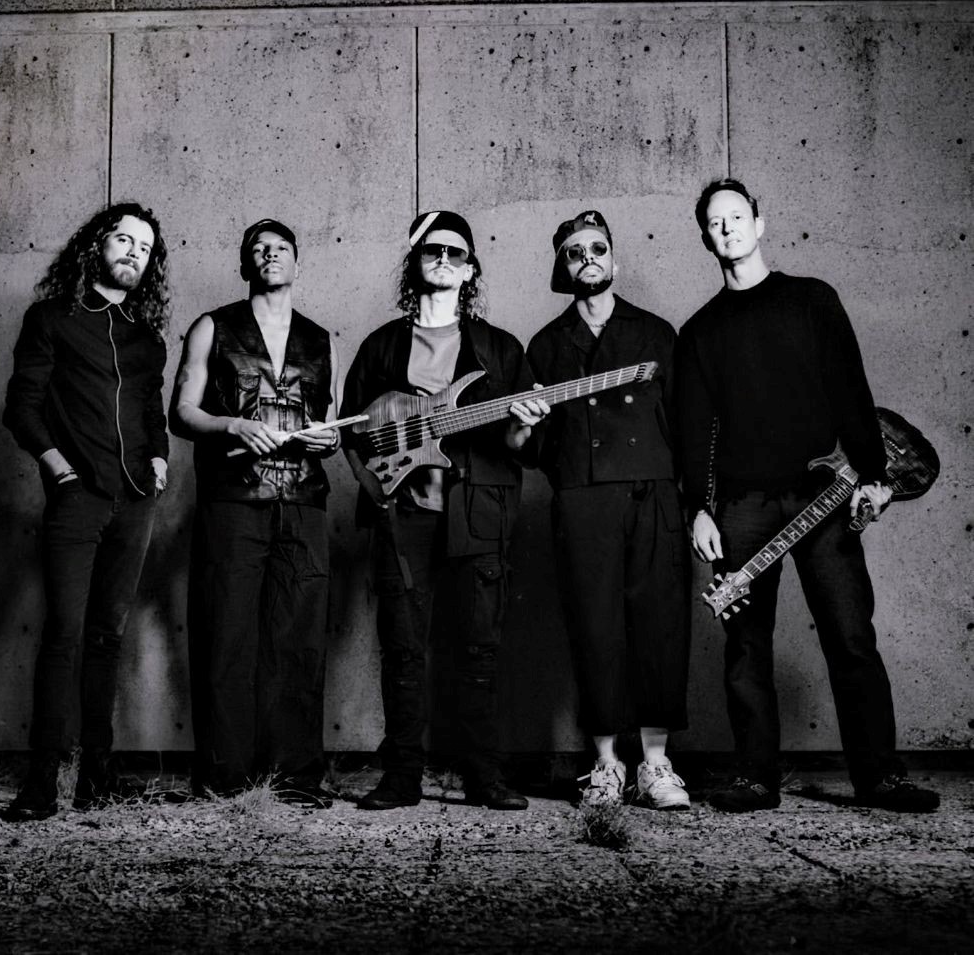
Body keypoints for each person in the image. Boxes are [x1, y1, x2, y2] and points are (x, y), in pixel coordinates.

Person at [676, 177, 939, 813]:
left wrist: (873, 476)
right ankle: (755, 778)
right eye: (715, 222)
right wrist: (699, 510)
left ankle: (879, 777)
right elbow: (694, 432)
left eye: (737, 216)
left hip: (825, 495)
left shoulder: (812, 300)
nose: (728, 228)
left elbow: (851, 390)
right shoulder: (700, 331)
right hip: (741, 506)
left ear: (759, 223)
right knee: (746, 647)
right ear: (706, 238)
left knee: (850, 637)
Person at [341, 210, 546, 811]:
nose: (444, 259)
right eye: (433, 250)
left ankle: (484, 776)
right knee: (403, 649)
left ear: (470, 269)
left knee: (479, 648)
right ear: (415, 264)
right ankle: (401, 776)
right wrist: (375, 490)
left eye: (457, 253)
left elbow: (521, 449)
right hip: (402, 516)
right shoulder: (381, 346)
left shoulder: (501, 349)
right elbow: (353, 434)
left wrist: (523, 426)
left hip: (479, 514)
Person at [3, 203, 170, 819]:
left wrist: (159, 461)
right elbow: (22, 406)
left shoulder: (147, 339)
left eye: (144, 248)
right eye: (123, 239)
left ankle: (96, 780)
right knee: (63, 636)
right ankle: (41, 785)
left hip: (136, 503)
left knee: (108, 638)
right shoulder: (52, 319)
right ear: (95, 246)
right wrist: (60, 469)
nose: (133, 252)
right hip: (78, 498)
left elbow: (152, 415)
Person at [170, 220, 339, 807]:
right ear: (246, 265)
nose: (270, 255)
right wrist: (232, 426)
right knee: (227, 637)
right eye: (259, 249)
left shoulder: (321, 339)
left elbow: (331, 422)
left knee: (299, 641)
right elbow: (182, 412)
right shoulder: (212, 327)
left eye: (281, 248)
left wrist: (329, 440)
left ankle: (294, 778)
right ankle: (225, 780)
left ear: (297, 262)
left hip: (304, 501)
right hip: (234, 501)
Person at [526, 210, 690, 810]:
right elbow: (536, 449)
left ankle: (656, 765)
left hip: (653, 492)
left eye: (597, 248)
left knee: (660, 626)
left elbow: (686, 423)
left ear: (614, 259)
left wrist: (689, 500)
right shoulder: (546, 345)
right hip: (582, 498)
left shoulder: (656, 333)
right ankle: (605, 765)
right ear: (562, 268)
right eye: (575, 252)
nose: (588, 258)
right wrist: (527, 427)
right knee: (594, 627)